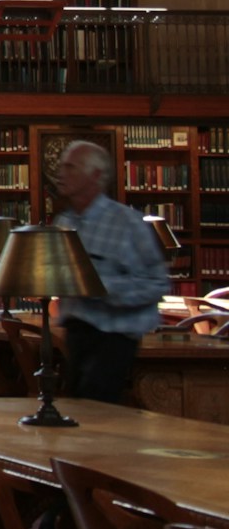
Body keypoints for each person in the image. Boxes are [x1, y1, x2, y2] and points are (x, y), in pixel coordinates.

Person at [51, 140, 173, 404]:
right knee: (75, 410)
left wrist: (98, 287)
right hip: (75, 333)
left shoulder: (127, 223)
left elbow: (156, 283)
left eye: (70, 167)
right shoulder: (64, 223)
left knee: (98, 412)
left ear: (94, 175)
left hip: (113, 336)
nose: (60, 173)